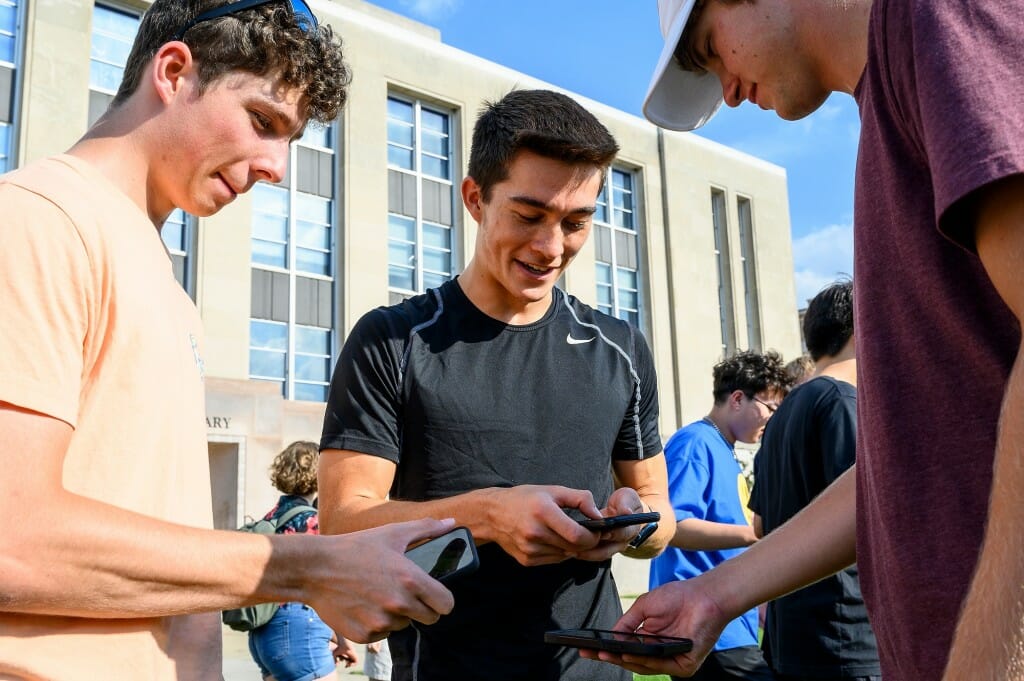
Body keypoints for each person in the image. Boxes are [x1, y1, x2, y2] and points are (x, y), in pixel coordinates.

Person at [0, 1, 460, 678]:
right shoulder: (38, 219)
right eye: (263, 121)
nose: (276, 165)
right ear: (175, 71)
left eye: (289, 139)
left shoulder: (170, 289)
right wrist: (303, 567)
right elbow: (14, 539)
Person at [581, 0, 1024, 679]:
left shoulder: (932, 19)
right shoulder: (883, 115)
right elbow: (905, 464)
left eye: (709, 48)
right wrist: (716, 593)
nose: (726, 89)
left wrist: (990, 659)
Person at [317, 88, 675, 681]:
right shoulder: (393, 341)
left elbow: (659, 512)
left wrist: (631, 525)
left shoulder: (622, 349)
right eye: (530, 216)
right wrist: (487, 516)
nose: (551, 246)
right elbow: (342, 524)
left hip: (594, 670)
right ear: (475, 198)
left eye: (576, 222)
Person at [748, 281, 880, 681]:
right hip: (845, 636)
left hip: (792, 635)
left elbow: (758, 526)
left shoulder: (780, 416)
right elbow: (867, 519)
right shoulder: (843, 401)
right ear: (863, 329)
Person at [650, 350, 789, 681]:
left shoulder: (725, 450)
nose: (773, 419)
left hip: (727, 624)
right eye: (771, 408)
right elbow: (674, 526)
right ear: (738, 399)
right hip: (700, 622)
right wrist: (757, 534)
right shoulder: (695, 442)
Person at [247, 441, 359, 681]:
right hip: (298, 628)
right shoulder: (312, 522)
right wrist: (343, 639)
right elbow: (327, 587)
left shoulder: (272, 517)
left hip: (264, 636)